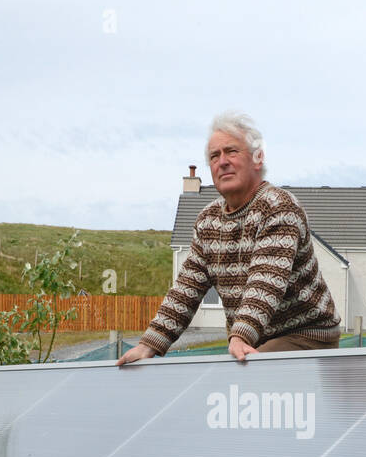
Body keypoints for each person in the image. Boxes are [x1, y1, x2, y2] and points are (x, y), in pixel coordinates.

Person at [116, 111, 342, 366]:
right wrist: (150, 343)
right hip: (255, 338)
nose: (222, 161)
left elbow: (265, 283)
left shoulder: (278, 207)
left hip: (305, 334)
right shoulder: (207, 221)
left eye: (231, 152)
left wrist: (241, 334)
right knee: (234, 378)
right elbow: (187, 288)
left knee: (240, 382)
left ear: (257, 158)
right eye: (214, 156)